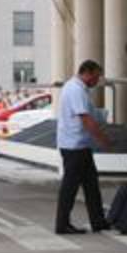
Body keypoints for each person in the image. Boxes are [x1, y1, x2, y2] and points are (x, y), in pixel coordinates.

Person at [54, 60, 110, 235]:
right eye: (96, 76)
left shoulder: (78, 88)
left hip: (80, 145)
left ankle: (98, 221)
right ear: (87, 72)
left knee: (91, 185)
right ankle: (62, 224)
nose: (97, 80)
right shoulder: (76, 90)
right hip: (74, 146)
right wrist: (102, 139)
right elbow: (85, 119)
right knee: (70, 187)